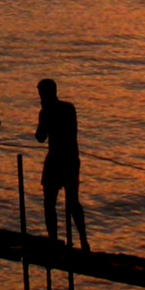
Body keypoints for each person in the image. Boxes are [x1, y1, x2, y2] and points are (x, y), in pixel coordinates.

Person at [35, 78, 90, 252]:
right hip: (72, 159)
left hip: (57, 159)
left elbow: (40, 137)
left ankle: (53, 239)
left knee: (50, 202)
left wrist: (44, 116)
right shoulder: (69, 108)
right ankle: (83, 241)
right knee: (73, 201)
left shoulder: (46, 112)